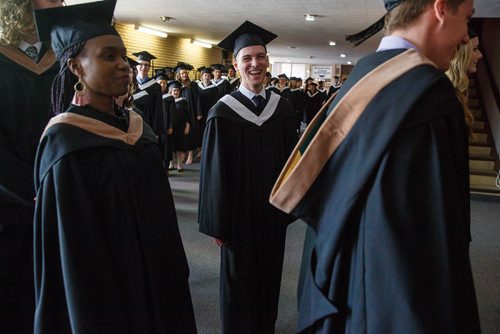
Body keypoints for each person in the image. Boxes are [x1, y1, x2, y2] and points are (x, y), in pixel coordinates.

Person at [269, 0, 480, 333]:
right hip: (392, 305)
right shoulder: (428, 96)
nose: (467, 37)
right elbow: (433, 240)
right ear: (440, 9)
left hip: (340, 286)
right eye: (467, 19)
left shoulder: (362, 77)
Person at [32, 1, 197, 332]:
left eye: (123, 56)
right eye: (109, 57)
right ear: (76, 67)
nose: (125, 66)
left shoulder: (139, 128)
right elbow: (73, 257)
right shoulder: (67, 143)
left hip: (159, 285)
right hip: (108, 299)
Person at [198, 20, 298, 334]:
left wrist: (290, 206)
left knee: (270, 274)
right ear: (236, 64)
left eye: (260, 56)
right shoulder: (222, 112)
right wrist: (218, 221)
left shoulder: (282, 108)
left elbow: (291, 162)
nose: (255, 64)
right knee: (239, 279)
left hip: (271, 213)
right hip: (237, 217)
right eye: (247, 58)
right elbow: (213, 172)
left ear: (268, 61)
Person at [0, 0, 63, 332]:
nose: (60, 3)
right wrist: (33, 191)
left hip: (65, 200)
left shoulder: (69, 59)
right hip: (12, 206)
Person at [132, 50, 168, 167]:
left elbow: (158, 109)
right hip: (131, 122)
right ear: (136, 66)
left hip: (149, 122)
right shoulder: (131, 83)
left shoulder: (155, 86)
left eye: (146, 65)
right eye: (140, 64)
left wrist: (156, 130)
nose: (143, 67)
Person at [446, 27, 483, 141]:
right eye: (475, 49)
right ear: (461, 53)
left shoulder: (456, 93)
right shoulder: (444, 95)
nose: (480, 55)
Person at [169, 80, 191, 172]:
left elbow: (188, 116)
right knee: (170, 147)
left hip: (181, 127)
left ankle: (179, 164)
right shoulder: (167, 101)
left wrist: (187, 126)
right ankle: (170, 164)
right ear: (170, 91)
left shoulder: (183, 102)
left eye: (177, 90)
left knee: (180, 147)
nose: (176, 92)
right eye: (174, 90)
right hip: (170, 128)